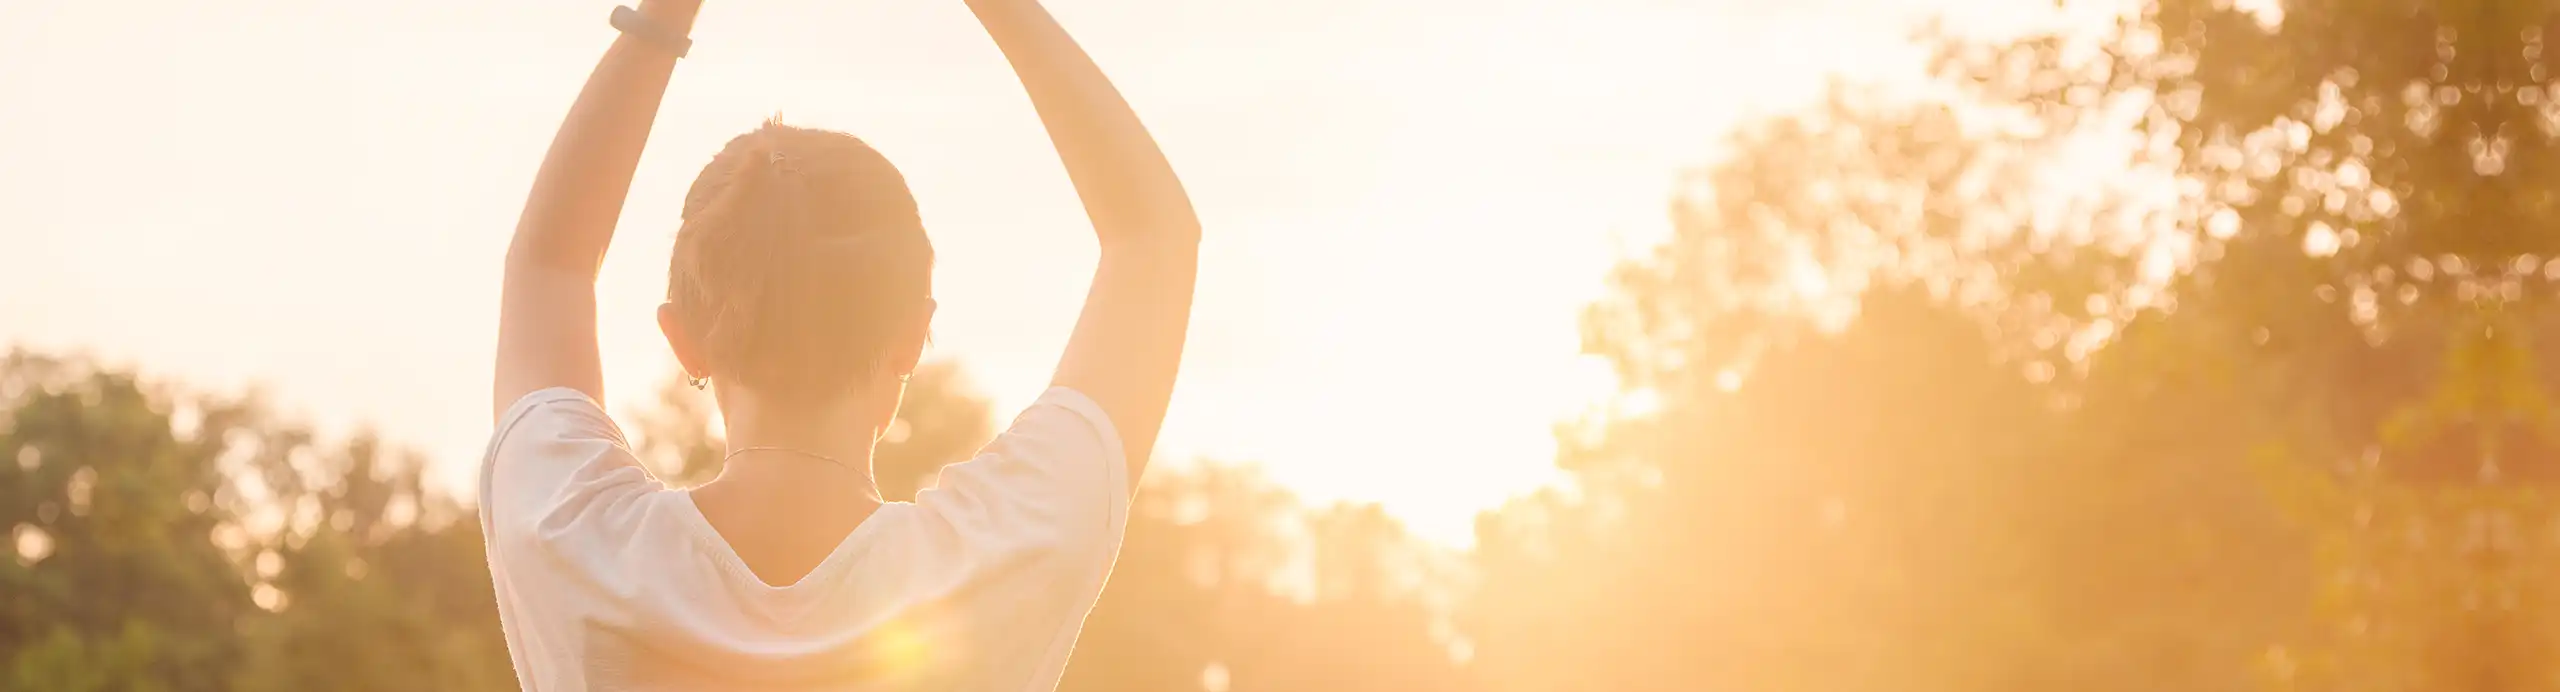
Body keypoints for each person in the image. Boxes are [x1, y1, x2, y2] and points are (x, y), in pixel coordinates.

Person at [477, 0, 1199, 688]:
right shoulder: (997, 556)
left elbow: (551, 268)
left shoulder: (575, 539)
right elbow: (1154, 241)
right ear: (915, 335)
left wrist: (666, 15)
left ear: (684, 341)